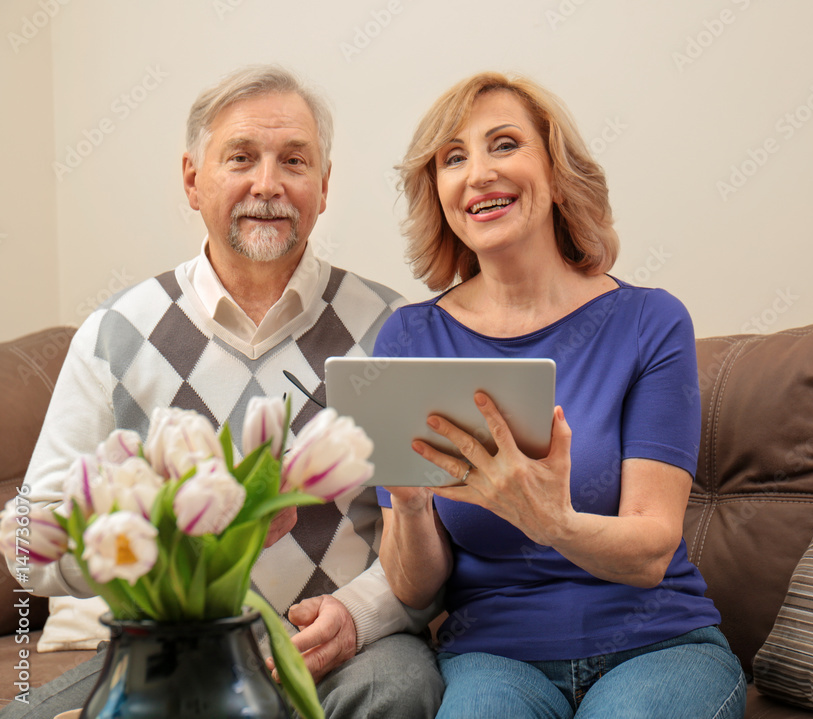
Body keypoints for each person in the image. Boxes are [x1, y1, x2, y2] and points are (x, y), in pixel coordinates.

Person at [2, 65, 442, 719]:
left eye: (294, 160)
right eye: (240, 157)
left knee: (400, 690)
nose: (267, 184)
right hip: (170, 650)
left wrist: (359, 613)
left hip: (346, 652)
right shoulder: (116, 333)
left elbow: (433, 531)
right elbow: (24, 541)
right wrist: (153, 543)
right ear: (192, 180)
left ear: (323, 187)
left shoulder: (391, 327)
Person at [374, 72, 747, 718]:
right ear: (438, 193)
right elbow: (412, 587)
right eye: (453, 158)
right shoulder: (409, 338)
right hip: (495, 657)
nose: (479, 173)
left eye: (504, 144)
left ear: (555, 172)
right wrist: (407, 505)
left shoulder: (650, 322)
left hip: (656, 645)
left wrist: (552, 521)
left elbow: (651, 551)